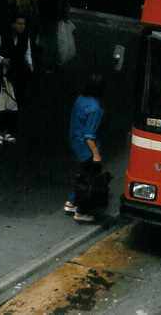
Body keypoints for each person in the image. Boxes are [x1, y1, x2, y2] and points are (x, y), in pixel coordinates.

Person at [64, 73, 106, 222]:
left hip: (74, 141)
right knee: (89, 180)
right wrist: (96, 154)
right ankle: (81, 212)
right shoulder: (95, 108)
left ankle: (71, 202)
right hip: (86, 147)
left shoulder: (80, 99)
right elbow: (89, 135)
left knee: (82, 175)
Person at [0, 15, 33, 146]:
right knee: (4, 101)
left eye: (23, 24)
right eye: (19, 23)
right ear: (13, 24)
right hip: (6, 73)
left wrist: (30, 64)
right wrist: (2, 60)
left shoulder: (25, 38)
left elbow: (27, 52)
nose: (21, 26)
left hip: (19, 73)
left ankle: (7, 131)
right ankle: (1, 131)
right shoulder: (3, 36)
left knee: (14, 103)